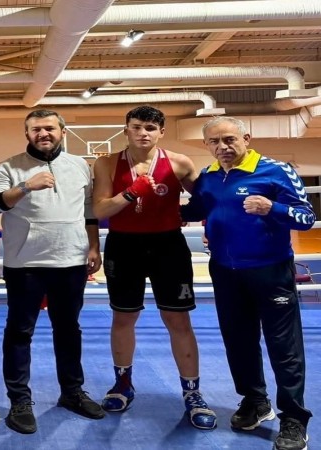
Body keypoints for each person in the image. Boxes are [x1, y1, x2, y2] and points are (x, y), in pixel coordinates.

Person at [181, 116, 314, 450]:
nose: (223, 147)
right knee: (238, 342)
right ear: (206, 145)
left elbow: (306, 217)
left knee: (284, 348)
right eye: (214, 142)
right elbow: (195, 210)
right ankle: (255, 401)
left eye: (229, 139)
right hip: (225, 271)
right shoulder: (209, 176)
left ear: (246, 138)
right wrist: (158, 194)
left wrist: (273, 208)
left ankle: (294, 419)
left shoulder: (275, 171)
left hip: (271, 270)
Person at [0, 109, 104, 434]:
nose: (43, 134)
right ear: (27, 134)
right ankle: (19, 401)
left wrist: (94, 246)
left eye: (49, 128)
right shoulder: (9, 167)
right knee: (20, 332)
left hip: (71, 261)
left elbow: (89, 210)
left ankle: (72, 392)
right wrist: (25, 186)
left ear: (62, 131)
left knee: (69, 329)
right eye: (36, 129)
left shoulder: (80, 166)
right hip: (26, 265)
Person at [91, 105, 216, 430]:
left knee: (178, 319)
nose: (142, 133)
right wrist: (131, 193)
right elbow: (100, 209)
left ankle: (192, 393)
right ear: (126, 130)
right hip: (124, 245)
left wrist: (197, 218)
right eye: (136, 127)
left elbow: (207, 200)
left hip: (167, 246)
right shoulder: (107, 163)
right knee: (123, 317)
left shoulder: (179, 162)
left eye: (149, 128)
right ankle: (122, 384)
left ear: (161, 132)